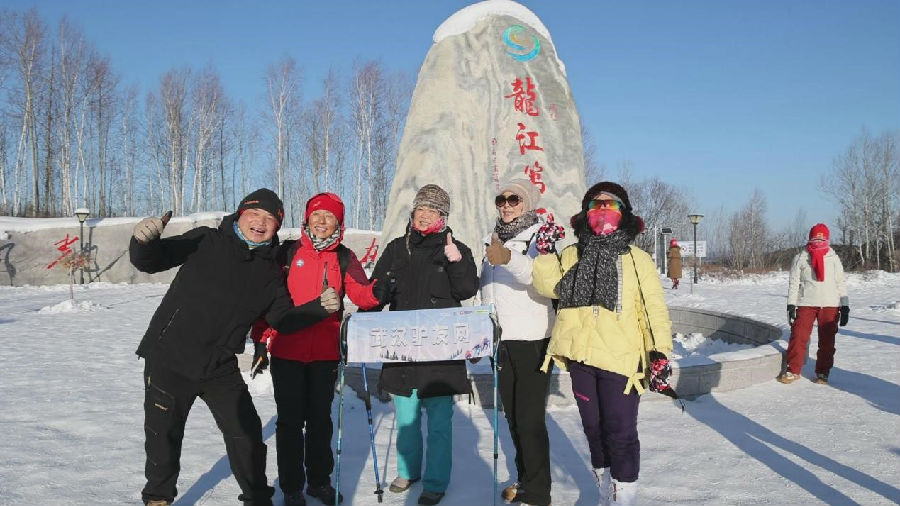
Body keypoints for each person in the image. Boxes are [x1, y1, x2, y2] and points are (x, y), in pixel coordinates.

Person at [130, 188, 332, 506]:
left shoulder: (270, 272)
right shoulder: (206, 240)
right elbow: (152, 261)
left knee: (247, 435)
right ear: (240, 214)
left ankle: (257, 498)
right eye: (255, 214)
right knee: (163, 438)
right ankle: (158, 498)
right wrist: (143, 242)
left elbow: (283, 318)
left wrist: (319, 309)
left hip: (219, 365)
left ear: (277, 228)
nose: (260, 223)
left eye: (270, 219)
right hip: (170, 357)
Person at [531, 182, 672, 506]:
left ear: (623, 214)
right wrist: (545, 252)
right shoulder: (572, 254)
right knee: (593, 430)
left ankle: (623, 499)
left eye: (612, 205)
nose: (604, 209)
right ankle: (604, 493)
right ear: (586, 213)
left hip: (621, 360)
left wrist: (659, 351)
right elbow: (549, 286)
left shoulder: (636, 259)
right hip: (581, 357)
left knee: (620, 434)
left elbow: (653, 310)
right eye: (597, 204)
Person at [250, 192, 388, 506]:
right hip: (287, 350)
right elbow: (269, 301)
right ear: (306, 218)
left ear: (339, 222)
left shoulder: (344, 257)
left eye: (330, 217)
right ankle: (292, 487)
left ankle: (318, 481)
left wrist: (377, 292)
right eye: (316, 215)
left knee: (320, 420)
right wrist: (261, 338)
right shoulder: (287, 253)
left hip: (325, 353)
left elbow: (360, 291)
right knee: (288, 422)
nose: (322, 221)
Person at [368, 184, 479, 506]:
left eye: (434, 211)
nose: (425, 216)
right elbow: (377, 295)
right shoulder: (395, 248)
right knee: (406, 419)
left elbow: (467, 288)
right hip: (403, 349)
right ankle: (408, 471)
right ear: (413, 213)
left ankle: (435, 482)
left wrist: (456, 260)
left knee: (440, 421)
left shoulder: (456, 248)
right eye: (421, 210)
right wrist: (380, 289)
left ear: (443, 217)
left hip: (441, 352)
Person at [479, 179, 554, 506]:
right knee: (512, 416)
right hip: (502, 341)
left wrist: (509, 257)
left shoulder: (542, 237)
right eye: (502, 199)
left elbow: (542, 279)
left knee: (530, 419)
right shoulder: (492, 238)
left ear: (528, 203)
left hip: (532, 339)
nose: (507, 204)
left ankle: (539, 492)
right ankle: (525, 480)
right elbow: (488, 290)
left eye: (515, 199)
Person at [779, 223, 849, 385]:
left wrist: (844, 305)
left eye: (822, 237)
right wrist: (791, 305)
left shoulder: (833, 257)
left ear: (827, 239)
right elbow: (794, 283)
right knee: (798, 336)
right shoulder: (801, 257)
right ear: (810, 238)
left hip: (830, 304)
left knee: (827, 341)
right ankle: (793, 370)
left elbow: (840, 282)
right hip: (806, 303)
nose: (818, 240)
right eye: (815, 237)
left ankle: (823, 373)